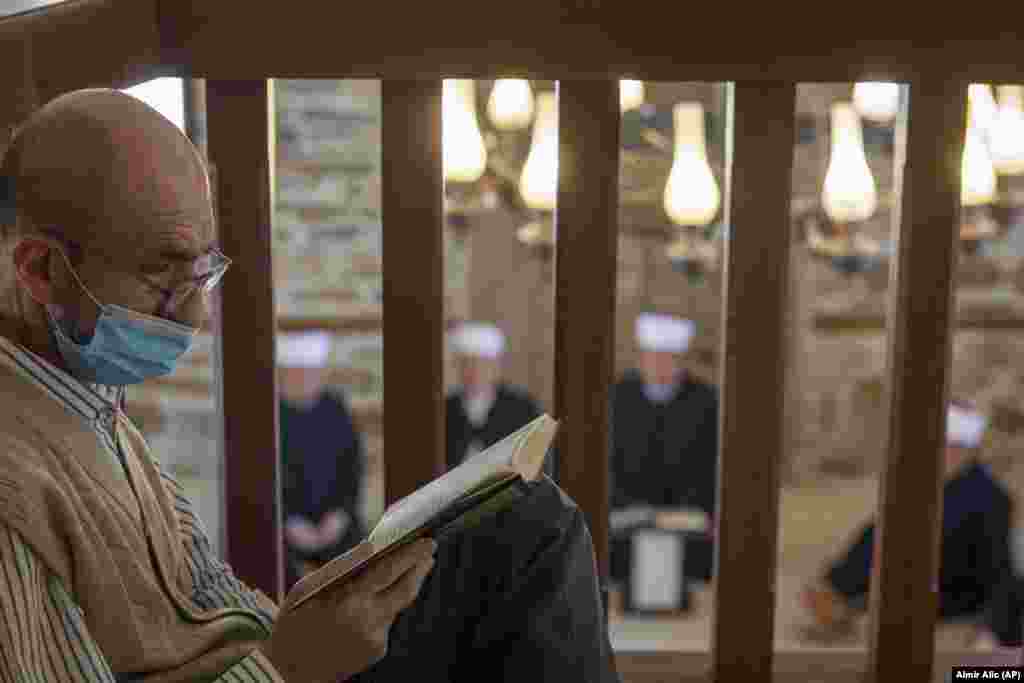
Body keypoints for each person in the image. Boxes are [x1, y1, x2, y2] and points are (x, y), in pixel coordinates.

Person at [0, 89, 619, 682]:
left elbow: (208, 599)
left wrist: (321, 612)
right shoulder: (15, 486)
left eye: (202, 274)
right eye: (164, 279)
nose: (194, 317)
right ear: (42, 269)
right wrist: (290, 666)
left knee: (519, 520)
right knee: (532, 541)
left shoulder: (90, 405)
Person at [801, 402, 1021, 648]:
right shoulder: (930, 488)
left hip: (949, 610)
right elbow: (876, 538)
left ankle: (838, 598)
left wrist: (1001, 638)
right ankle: (837, 597)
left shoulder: (988, 497)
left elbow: (997, 572)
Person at [608, 313, 720, 590]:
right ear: (641, 358)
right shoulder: (617, 397)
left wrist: (688, 508)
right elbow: (607, 462)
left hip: (687, 508)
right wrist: (628, 504)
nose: (659, 364)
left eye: (668, 357)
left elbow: (710, 462)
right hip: (626, 507)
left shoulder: (705, 400)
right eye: (652, 356)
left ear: (680, 361)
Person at [277, 330, 366, 591]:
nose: (304, 380)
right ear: (283, 375)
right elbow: (257, 479)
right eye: (296, 373)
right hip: (285, 527)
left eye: (310, 373)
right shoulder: (269, 414)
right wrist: (287, 521)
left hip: (335, 524)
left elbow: (354, 470)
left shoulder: (336, 410)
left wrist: (340, 514)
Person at [445, 321, 555, 477]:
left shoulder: (523, 408)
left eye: (482, 364)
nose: (474, 371)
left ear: (496, 366)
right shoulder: (446, 408)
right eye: (467, 364)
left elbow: (539, 464)